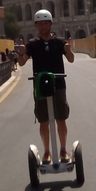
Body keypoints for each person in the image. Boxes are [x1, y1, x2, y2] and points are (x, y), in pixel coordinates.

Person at [18, 9, 75, 164]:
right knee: (43, 120)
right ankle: (47, 152)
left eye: (46, 23)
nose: (43, 26)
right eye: (40, 24)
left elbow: (71, 60)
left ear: (50, 24)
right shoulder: (33, 44)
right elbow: (22, 62)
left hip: (59, 84)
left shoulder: (60, 42)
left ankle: (63, 150)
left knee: (61, 119)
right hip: (40, 85)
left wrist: (69, 50)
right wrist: (21, 53)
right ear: (37, 25)